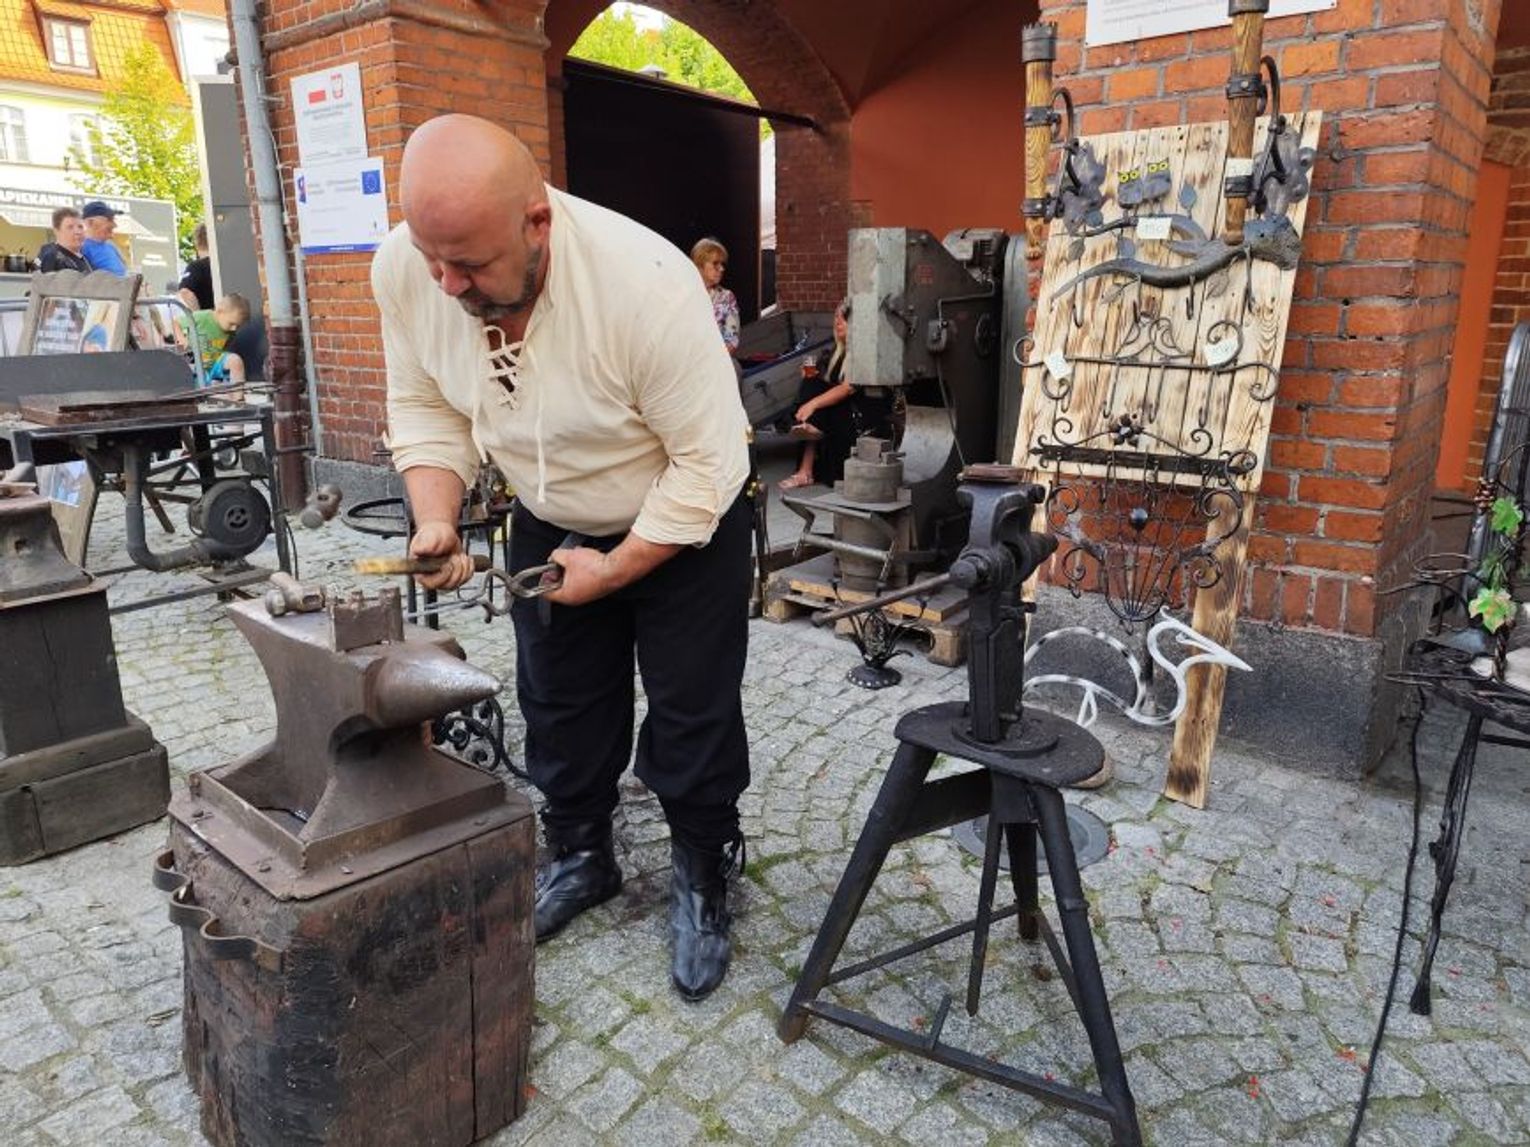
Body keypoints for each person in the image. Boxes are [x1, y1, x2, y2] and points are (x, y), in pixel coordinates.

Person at [375, 114, 752, 1001]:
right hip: (548, 512)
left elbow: (707, 465)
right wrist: (437, 518)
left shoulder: (645, 284)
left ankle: (703, 866)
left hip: (680, 513)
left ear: (536, 223)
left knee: (693, 704)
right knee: (559, 697)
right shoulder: (410, 269)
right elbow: (426, 406)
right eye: (433, 259)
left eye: (471, 265)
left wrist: (616, 568)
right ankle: (583, 853)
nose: (448, 284)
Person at [779, 298, 893, 490]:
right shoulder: (837, 352)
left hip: (864, 415)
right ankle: (806, 464)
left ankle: (805, 468)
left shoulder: (866, 352)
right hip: (843, 412)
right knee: (812, 382)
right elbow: (825, 386)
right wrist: (810, 377)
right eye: (836, 317)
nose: (838, 322)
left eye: (844, 318)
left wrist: (812, 404)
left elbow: (848, 388)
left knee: (819, 407)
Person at [174, 293, 251, 386]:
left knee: (235, 361)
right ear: (220, 311)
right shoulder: (202, 317)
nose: (234, 329)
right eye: (231, 323)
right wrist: (182, 339)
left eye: (238, 326)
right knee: (200, 382)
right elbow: (176, 323)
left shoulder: (230, 331)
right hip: (195, 366)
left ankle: (238, 394)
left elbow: (225, 349)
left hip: (214, 364)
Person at [691, 237, 739, 355]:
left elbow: (732, 340)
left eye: (722, 264)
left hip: (717, 360)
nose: (721, 269)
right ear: (699, 265)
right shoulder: (685, 295)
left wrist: (713, 359)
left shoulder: (726, 297)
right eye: (715, 263)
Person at [36, 207, 90, 273]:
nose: (77, 232)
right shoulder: (53, 258)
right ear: (57, 231)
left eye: (80, 227)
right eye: (70, 227)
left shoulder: (84, 259)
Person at [80, 201, 127, 275]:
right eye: (109, 219)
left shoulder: (110, 246)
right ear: (90, 222)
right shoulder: (80, 248)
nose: (115, 224)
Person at [179, 223, 214, 311]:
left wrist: (198, 316)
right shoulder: (222, 265)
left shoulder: (196, 267)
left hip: (210, 316)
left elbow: (185, 292)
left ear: (196, 241)